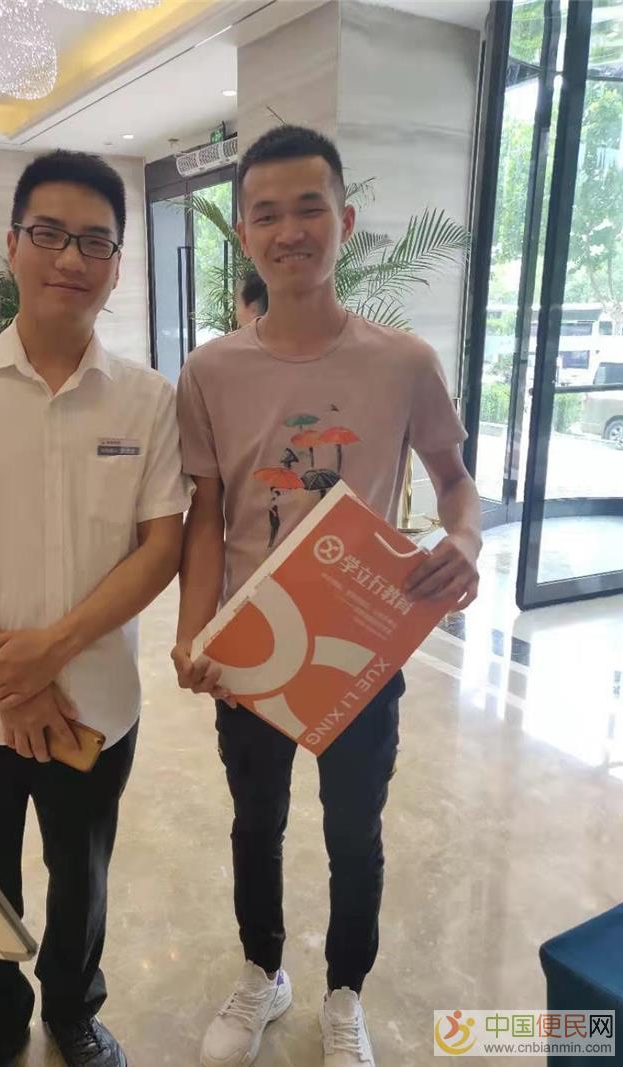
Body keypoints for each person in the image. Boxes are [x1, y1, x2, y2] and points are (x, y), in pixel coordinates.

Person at [172, 125, 481, 1067]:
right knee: (255, 822)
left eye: (310, 209)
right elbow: (205, 513)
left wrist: (464, 541)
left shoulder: (404, 362)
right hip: (252, 646)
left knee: (354, 830)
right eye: (266, 214)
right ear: (245, 235)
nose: (290, 230)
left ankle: (345, 992)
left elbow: (456, 482)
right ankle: (264, 972)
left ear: (344, 222)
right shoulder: (211, 371)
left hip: (359, 645)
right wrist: (192, 631)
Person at [0, 149, 191, 1067]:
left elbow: (161, 547)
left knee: (81, 874)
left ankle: (73, 1010)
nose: (70, 257)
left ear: (117, 264)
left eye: (95, 241)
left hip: (96, 703)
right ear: (12, 245)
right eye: (49, 233)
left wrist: (48, 653)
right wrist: (11, 679)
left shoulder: (148, 399)